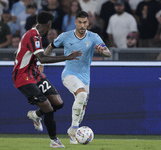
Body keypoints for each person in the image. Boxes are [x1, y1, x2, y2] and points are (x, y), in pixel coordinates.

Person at [12, 11, 82, 148]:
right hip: (23, 77)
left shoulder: (33, 34)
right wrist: (67, 57)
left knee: (58, 103)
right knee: (48, 109)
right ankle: (54, 141)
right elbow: (42, 58)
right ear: (49, 25)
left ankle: (36, 115)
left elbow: (20, 52)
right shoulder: (33, 35)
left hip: (34, 73)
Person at [39, 11, 111, 144]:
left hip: (85, 77)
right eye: (80, 22)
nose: (82, 25)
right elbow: (49, 47)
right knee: (82, 95)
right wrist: (42, 62)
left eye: (85, 22)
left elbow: (108, 53)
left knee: (82, 106)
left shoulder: (94, 37)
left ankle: (73, 129)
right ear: (75, 22)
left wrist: (103, 51)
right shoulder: (65, 36)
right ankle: (74, 129)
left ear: (88, 23)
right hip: (69, 74)